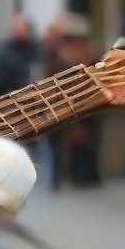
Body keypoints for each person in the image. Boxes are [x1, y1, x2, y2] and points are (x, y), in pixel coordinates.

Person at [46, 13, 101, 189]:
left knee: (83, 141)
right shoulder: (54, 53)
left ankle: (81, 175)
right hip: (60, 103)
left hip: (81, 103)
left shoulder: (79, 54)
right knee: (60, 142)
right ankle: (62, 177)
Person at [0, 14, 38, 100]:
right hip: (8, 98)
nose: (19, 32)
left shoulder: (35, 50)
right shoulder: (4, 51)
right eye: (17, 29)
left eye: (22, 29)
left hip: (30, 97)